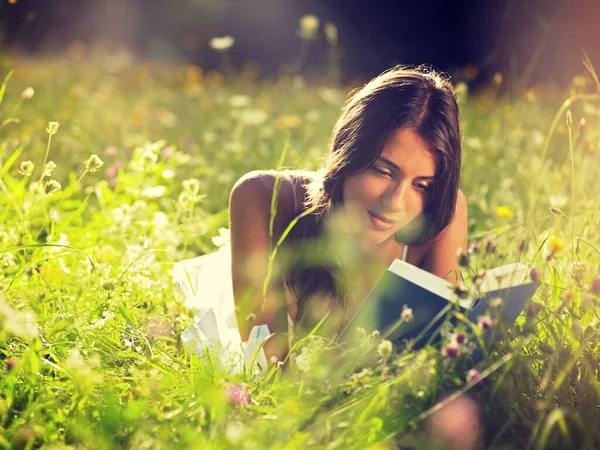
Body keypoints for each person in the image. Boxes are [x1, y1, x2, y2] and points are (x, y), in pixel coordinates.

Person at [176, 65, 467, 370]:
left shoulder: (444, 215)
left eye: (421, 185)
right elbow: (269, 371)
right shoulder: (263, 197)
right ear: (348, 151)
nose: (395, 202)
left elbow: (439, 361)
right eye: (382, 170)